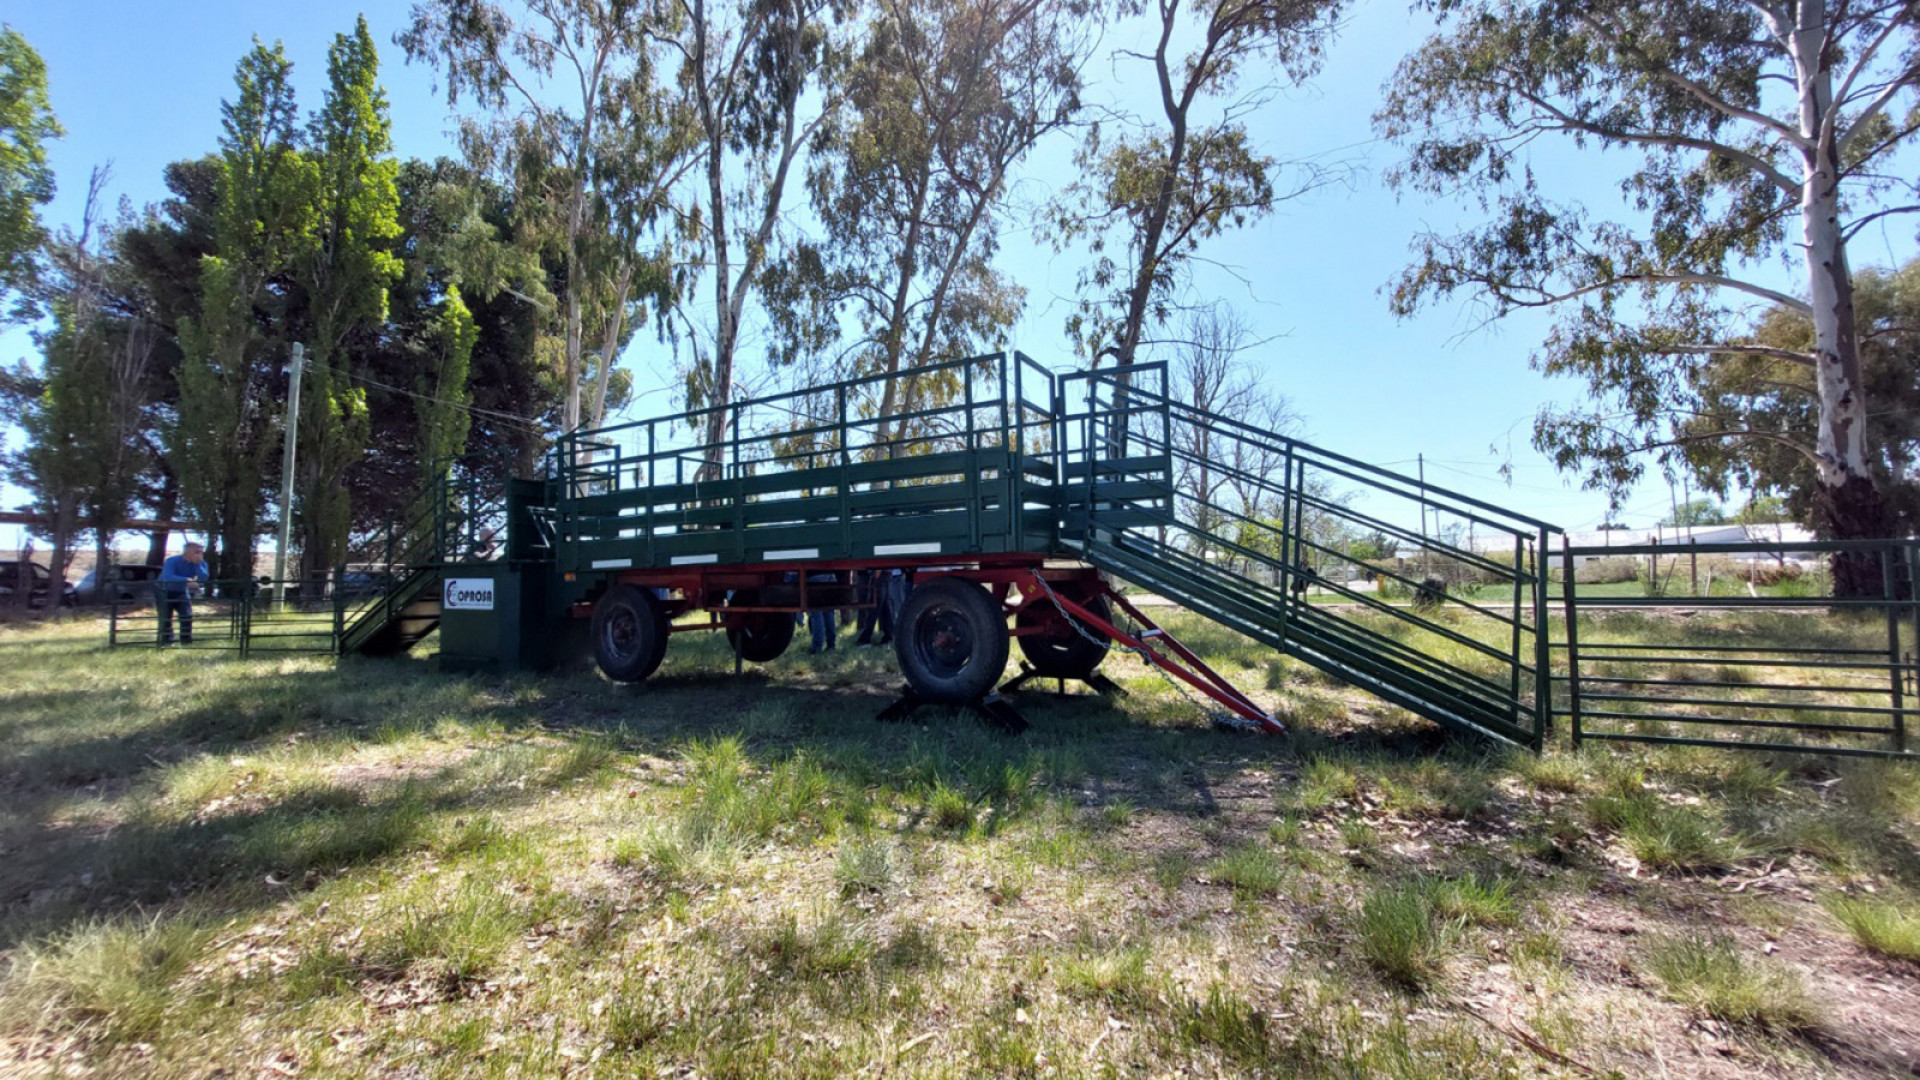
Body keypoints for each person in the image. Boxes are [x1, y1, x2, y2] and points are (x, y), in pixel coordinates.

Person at [156, 541, 210, 646]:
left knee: (186, 615)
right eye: (196, 552)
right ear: (187, 552)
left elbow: (204, 578)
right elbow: (168, 577)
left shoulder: (201, 563)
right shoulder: (171, 561)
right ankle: (167, 642)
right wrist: (187, 580)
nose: (199, 554)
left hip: (181, 591)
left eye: (201, 552)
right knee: (166, 616)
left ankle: (186, 642)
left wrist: (198, 564)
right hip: (164, 590)